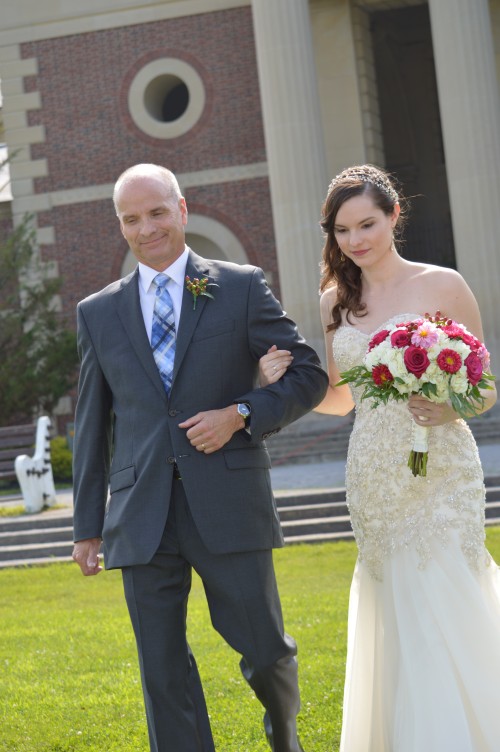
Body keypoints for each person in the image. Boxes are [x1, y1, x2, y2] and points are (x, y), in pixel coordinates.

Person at [71, 163, 328, 752]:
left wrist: (239, 413)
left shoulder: (238, 286)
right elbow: (91, 425)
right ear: (121, 226)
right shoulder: (98, 312)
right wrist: (88, 526)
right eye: (131, 219)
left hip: (228, 500)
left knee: (265, 651)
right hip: (140, 514)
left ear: (181, 210)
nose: (147, 228)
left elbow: (308, 373)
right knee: (161, 673)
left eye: (157, 212)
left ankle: (284, 738)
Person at [260, 164, 500, 751]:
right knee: (397, 603)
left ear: (394, 215)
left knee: (446, 587)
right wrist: (281, 383)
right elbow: (344, 400)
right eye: (342, 231)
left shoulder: (443, 284)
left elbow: (485, 386)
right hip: (373, 470)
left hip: (440, 464)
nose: (356, 240)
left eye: (366, 223)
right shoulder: (335, 300)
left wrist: (449, 409)